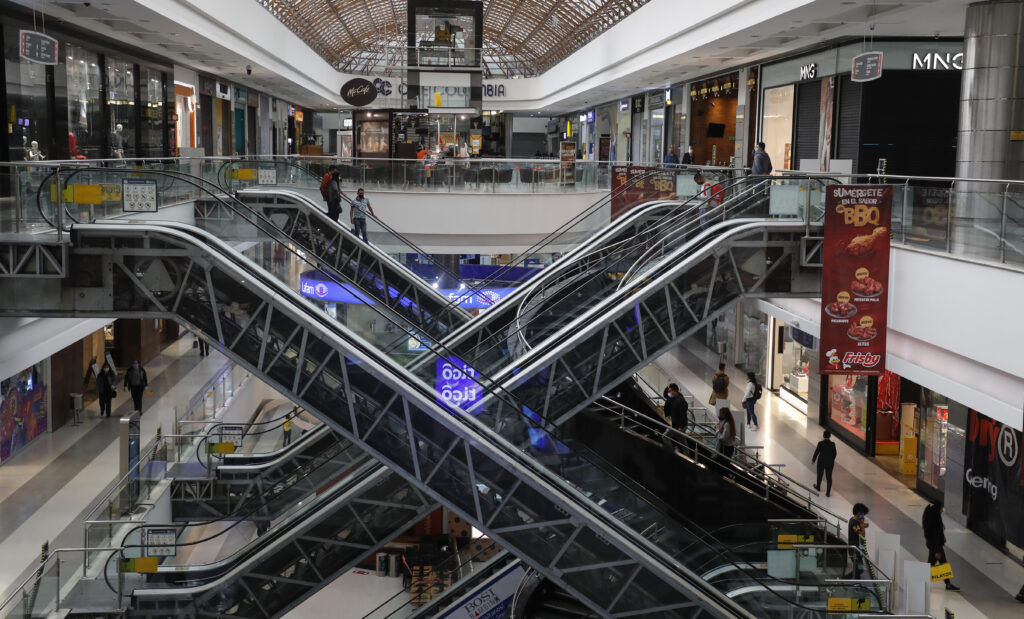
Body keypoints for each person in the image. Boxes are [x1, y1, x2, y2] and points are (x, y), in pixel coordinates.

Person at [922, 502, 961, 591]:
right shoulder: (934, 523)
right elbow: (934, 537)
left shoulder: (932, 521)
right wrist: (937, 551)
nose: (942, 510)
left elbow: (936, 535)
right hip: (936, 547)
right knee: (934, 565)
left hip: (935, 546)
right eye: (941, 508)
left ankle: (948, 584)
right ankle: (922, 582)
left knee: (941, 564)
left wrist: (942, 537)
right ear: (936, 510)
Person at [811, 430, 837, 496]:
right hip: (830, 463)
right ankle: (828, 493)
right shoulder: (833, 444)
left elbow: (816, 452)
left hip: (821, 462)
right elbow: (835, 454)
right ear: (830, 436)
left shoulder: (820, 443)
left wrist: (813, 460)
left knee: (820, 475)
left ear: (823, 436)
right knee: (829, 477)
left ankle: (818, 487)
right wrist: (831, 459)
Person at [847, 503, 870, 578]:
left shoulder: (854, 520)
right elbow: (862, 535)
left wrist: (863, 524)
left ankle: (855, 581)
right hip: (854, 550)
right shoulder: (854, 523)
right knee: (859, 569)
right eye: (862, 514)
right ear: (858, 513)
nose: (863, 516)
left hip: (857, 548)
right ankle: (845, 579)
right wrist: (862, 525)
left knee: (858, 569)